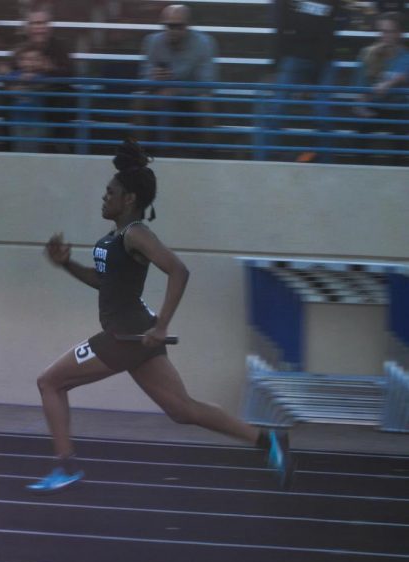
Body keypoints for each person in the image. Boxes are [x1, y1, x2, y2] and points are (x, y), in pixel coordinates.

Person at [26, 138, 294, 494]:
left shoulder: (137, 234)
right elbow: (102, 282)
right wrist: (66, 265)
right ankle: (268, 440)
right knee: (183, 410)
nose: (104, 198)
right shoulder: (115, 236)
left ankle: (65, 465)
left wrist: (163, 325)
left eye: (110, 193)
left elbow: (179, 271)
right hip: (137, 333)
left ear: (129, 199)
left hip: (125, 336)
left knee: (49, 382)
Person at [255, 0, 347, 162]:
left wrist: (312, 80)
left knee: (323, 113)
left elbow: (330, 32)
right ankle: (266, 159)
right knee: (275, 108)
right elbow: (281, 30)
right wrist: (273, 68)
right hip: (295, 55)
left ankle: (326, 162)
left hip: (324, 59)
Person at [133, 4, 218, 155]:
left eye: (179, 26)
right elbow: (143, 80)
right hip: (160, 92)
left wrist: (177, 90)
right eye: (169, 26)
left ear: (188, 26)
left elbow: (207, 84)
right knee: (139, 98)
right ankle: (141, 152)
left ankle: (208, 152)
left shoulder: (204, 43)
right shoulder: (152, 41)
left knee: (206, 100)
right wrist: (153, 78)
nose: (173, 30)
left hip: (190, 97)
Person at [0, 5, 74, 153]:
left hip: (52, 102)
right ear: (27, 27)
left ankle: (61, 147)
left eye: (43, 23)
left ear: (49, 26)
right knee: (5, 99)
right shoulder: (21, 48)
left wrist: (50, 70)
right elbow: (6, 72)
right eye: (35, 23)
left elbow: (71, 75)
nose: (40, 28)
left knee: (67, 97)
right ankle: (7, 150)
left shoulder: (60, 48)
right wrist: (17, 80)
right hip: (25, 102)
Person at [351, 11, 408, 165]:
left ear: (399, 33)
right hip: (374, 107)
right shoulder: (368, 54)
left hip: (398, 109)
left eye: (389, 31)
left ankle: (399, 170)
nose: (385, 36)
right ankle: (361, 169)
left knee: (403, 127)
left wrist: (394, 81)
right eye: (382, 31)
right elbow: (359, 90)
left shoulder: (406, 57)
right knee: (360, 125)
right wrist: (362, 108)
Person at [5, 43, 48, 152]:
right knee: (19, 148)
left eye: (35, 59)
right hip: (17, 120)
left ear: (40, 62)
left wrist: (33, 79)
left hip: (36, 121)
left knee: (34, 149)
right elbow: (8, 86)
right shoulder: (14, 75)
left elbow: (43, 85)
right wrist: (21, 80)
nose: (30, 63)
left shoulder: (42, 76)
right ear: (19, 62)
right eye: (26, 59)